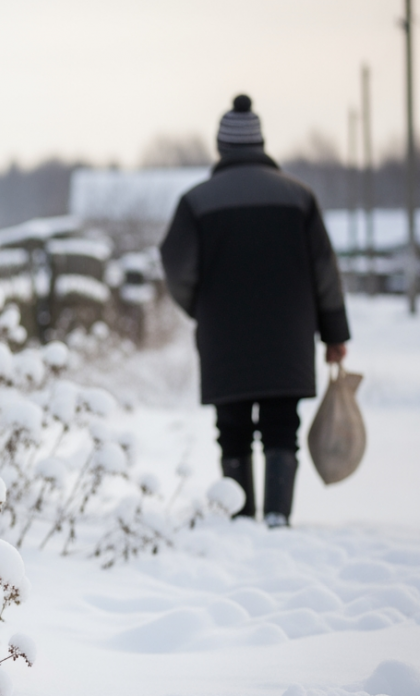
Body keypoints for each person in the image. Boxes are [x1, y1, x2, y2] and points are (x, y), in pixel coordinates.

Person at [159, 94, 350, 528]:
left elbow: (175, 266)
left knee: (233, 425)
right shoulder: (300, 198)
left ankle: (241, 517)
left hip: (224, 334)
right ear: (261, 143)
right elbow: (326, 270)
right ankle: (278, 517)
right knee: (283, 424)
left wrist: (199, 307)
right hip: (289, 333)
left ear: (221, 147)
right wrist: (334, 333)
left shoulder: (196, 202)